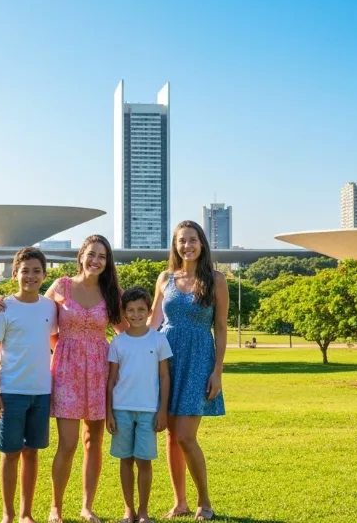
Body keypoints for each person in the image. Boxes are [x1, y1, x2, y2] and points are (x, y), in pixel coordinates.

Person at [0, 235, 126, 523]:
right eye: (91, 254)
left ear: (107, 261)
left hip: (100, 369)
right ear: (81, 256)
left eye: (102, 256)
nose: (96, 260)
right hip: (66, 370)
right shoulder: (63, 285)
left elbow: (126, 331)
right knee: (68, 443)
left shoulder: (113, 292)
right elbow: (33, 305)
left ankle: (87, 506)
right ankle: (56, 507)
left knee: (94, 440)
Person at [149, 220, 227, 521]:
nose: (187, 245)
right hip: (166, 359)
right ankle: (179, 503)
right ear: (175, 245)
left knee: (185, 436)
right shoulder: (165, 277)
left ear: (202, 243)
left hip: (198, 360)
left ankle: (204, 502)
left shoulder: (216, 279)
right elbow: (152, 321)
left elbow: (220, 328)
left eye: (192, 240)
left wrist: (217, 371)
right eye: (181, 240)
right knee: (170, 435)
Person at [0, 247, 57, 523]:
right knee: (10, 453)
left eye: (37, 271)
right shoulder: (4, 308)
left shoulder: (50, 307)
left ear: (44, 275)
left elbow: (55, 337)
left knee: (32, 453)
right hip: (11, 392)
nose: (31, 276)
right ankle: (8, 514)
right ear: (14, 274)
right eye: (25, 271)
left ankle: (26, 514)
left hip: (41, 392)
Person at [106, 286, 172, 523]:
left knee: (144, 461)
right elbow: (111, 379)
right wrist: (109, 414)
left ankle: (143, 512)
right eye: (131, 310)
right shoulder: (117, 342)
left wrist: (162, 411)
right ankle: (128, 511)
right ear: (123, 312)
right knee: (126, 460)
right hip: (121, 410)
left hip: (149, 411)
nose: (136, 314)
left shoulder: (159, 339)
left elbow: (165, 377)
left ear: (149, 310)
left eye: (141, 309)